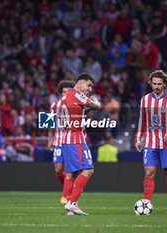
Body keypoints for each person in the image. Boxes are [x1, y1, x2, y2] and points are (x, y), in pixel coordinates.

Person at [135, 70, 167, 213]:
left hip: (165, 143)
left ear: (165, 84)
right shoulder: (145, 100)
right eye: (154, 84)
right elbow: (142, 121)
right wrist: (138, 138)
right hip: (150, 141)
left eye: (159, 84)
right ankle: (147, 203)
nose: (156, 86)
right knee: (149, 172)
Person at [61, 73, 101, 216]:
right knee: (88, 169)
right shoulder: (76, 93)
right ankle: (73, 203)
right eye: (88, 85)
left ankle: (69, 203)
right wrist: (96, 102)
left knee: (74, 173)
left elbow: (82, 110)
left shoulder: (69, 96)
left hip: (68, 137)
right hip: (75, 137)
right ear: (80, 83)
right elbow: (95, 106)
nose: (90, 89)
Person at [47, 80, 75, 204]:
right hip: (58, 141)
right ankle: (71, 188)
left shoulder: (76, 105)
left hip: (71, 141)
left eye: (68, 92)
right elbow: (49, 123)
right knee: (58, 169)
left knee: (69, 170)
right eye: (63, 92)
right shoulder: (54, 105)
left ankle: (66, 196)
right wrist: (49, 139)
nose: (65, 94)